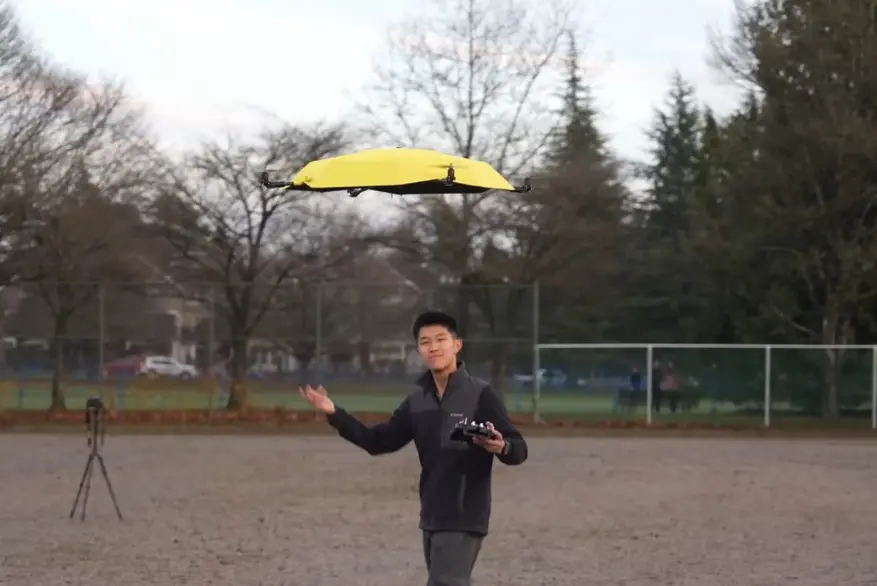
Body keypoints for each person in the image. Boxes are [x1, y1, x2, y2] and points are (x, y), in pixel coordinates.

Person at [298, 310, 528, 586]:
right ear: (418, 351)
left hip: (464, 515)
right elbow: (377, 441)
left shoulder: (481, 394)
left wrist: (501, 446)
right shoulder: (417, 401)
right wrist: (333, 412)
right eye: (425, 342)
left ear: (457, 345)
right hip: (431, 516)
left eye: (441, 339)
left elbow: (519, 449)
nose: (433, 347)